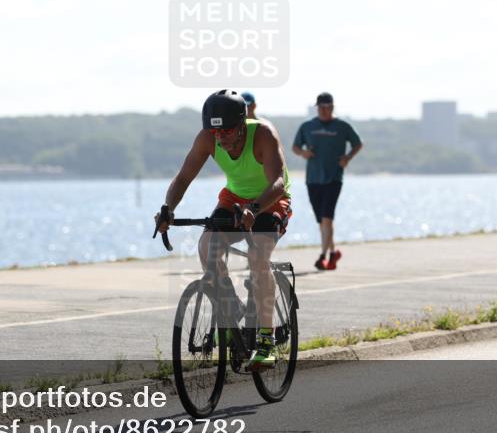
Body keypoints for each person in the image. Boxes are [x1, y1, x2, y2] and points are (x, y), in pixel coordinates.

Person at [155, 90, 292, 369]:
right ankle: (232, 308)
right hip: (234, 198)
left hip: (270, 199)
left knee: (258, 257)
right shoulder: (208, 138)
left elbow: (278, 181)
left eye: (227, 130)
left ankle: (266, 340)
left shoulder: (263, 134)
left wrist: (254, 209)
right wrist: (168, 209)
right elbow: (183, 178)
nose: (221, 137)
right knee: (207, 247)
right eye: (215, 131)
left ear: (242, 124)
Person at [292, 92, 363, 271]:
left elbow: (358, 143)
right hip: (313, 179)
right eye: (320, 107)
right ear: (317, 108)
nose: (323, 110)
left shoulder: (342, 126)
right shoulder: (308, 126)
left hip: (334, 178)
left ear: (332, 107)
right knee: (322, 221)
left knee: (327, 218)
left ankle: (323, 257)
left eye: (327, 107)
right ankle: (334, 252)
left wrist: (347, 157)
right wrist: (303, 153)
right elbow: (295, 147)